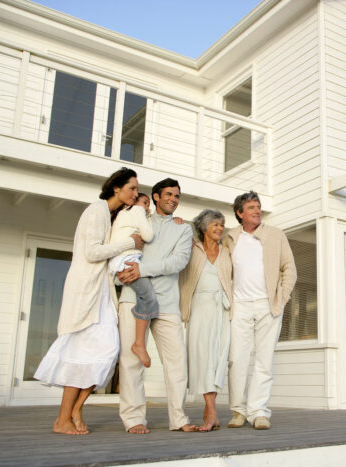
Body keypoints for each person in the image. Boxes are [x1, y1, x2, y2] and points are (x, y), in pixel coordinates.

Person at [34, 167, 144, 435]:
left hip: (102, 292)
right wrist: (129, 243)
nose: (135, 193)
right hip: (86, 291)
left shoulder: (110, 215)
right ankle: (63, 419)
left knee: (107, 351)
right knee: (80, 354)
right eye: (131, 187)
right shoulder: (96, 210)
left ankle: (75, 409)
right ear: (116, 187)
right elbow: (93, 252)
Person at [116, 178, 197, 434]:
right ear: (156, 196)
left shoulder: (183, 229)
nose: (173, 199)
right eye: (169, 194)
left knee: (176, 362)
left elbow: (178, 262)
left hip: (167, 303)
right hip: (133, 297)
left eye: (177, 196)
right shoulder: (139, 220)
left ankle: (179, 419)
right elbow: (124, 251)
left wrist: (143, 269)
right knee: (130, 361)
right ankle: (133, 419)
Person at [224, 191, 296, 430]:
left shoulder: (275, 235)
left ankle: (259, 412)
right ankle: (238, 410)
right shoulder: (230, 238)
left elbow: (289, 269)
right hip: (240, 306)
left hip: (268, 305)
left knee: (264, 360)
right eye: (251, 207)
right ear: (240, 213)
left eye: (258, 206)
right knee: (237, 360)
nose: (257, 211)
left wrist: (281, 298)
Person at [178, 209, 233, 432]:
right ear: (203, 228)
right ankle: (211, 411)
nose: (219, 228)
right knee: (202, 358)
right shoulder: (191, 249)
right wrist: (178, 225)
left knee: (219, 358)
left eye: (221, 225)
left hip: (222, 308)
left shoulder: (228, 250)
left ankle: (210, 411)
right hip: (199, 308)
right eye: (215, 225)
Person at [108, 193, 157, 368]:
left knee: (145, 295)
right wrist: (145, 218)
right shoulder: (136, 211)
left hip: (119, 261)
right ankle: (139, 343)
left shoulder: (120, 215)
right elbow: (149, 235)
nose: (146, 207)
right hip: (127, 260)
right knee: (148, 296)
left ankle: (138, 343)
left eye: (147, 204)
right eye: (144, 202)